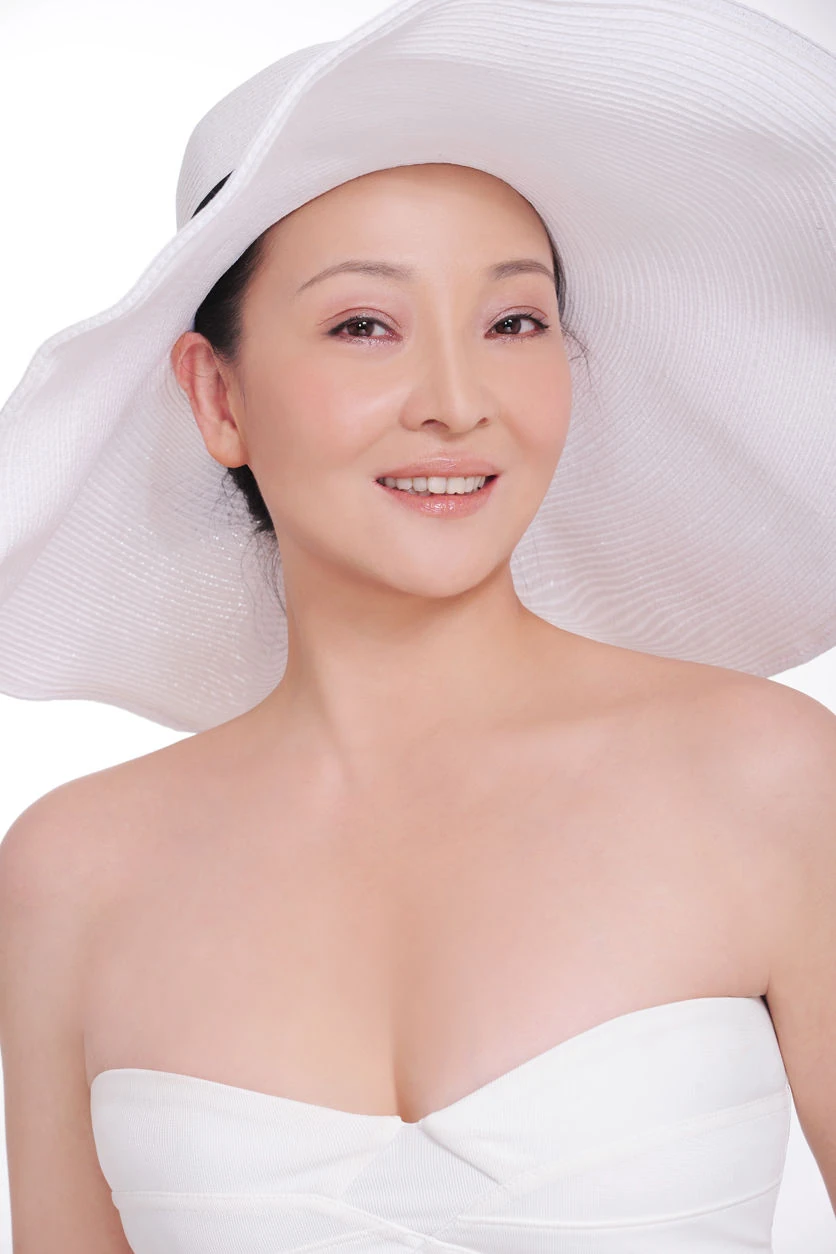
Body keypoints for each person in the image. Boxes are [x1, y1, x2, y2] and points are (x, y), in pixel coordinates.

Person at [0, 1, 834, 1249]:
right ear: (218, 398)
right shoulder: (71, 870)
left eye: (512, 324)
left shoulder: (770, 779)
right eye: (363, 326)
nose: (455, 401)